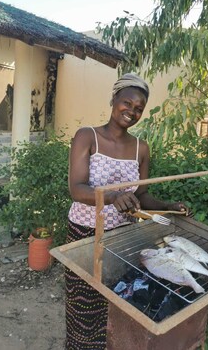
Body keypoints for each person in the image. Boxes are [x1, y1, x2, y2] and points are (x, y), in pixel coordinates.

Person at [65, 73, 186, 349]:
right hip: (84, 232)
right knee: (84, 302)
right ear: (113, 99)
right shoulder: (88, 137)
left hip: (123, 236)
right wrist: (113, 196)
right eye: (127, 103)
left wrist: (168, 207)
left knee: (118, 298)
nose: (132, 111)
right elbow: (77, 189)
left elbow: (141, 194)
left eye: (138, 108)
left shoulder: (141, 148)